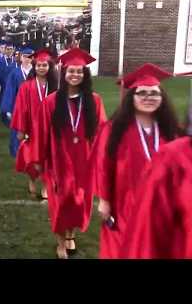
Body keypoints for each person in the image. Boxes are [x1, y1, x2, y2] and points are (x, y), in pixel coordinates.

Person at [89, 63, 180, 259]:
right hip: (125, 202)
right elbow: (104, 166)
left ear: (162, 98)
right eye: (143, 93)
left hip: (162, 204)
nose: (149, 98)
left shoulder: (170, 130)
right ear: (132, 97)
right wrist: (104, 200)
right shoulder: (115, 130)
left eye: (155, 93)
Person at [32, 48, 107, 259]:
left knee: (78, 202)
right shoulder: (51, 102)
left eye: (79, 72)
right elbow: (40, 133)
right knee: (59, 204)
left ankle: (70, 235)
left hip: (84, 160)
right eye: (71, 71)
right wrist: (38, 160)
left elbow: (102, 132)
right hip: (58, 161)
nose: (75, 75)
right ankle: (60, 243)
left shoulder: (94, 101)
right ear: (63, 74)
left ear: (85, 75)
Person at [12, 49, 58, 200]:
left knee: (49, 158)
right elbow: (20, 107)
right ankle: (31, 181)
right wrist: (21, 129)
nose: (41, 68)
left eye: (45, 65)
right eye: (38, 65)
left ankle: (45, 186)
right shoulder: (27, 86)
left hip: (50, 128)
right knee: (32, 157)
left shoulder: (55, 88)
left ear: (49, 67)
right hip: (32, 128)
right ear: (34, 66)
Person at [1, 46, 36, 157]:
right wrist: (8, 109)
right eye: (25, 57)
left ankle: (33, 152)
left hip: (34, 107)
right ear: (21, 58)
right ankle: (16, 152)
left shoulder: (37, 73)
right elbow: (9, 91)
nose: (27, 59)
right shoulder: (15, 73)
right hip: (18, 107)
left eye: (29, 57)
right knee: (17, 130)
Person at [0, 41, 18, 122]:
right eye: (8, 49)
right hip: (3, 85)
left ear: (13, 50)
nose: (9, 51)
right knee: (4, 102)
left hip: (15, 86)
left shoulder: (17, 61)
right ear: (5, 50)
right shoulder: (0, 61)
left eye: (11, 49)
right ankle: (5, 116)